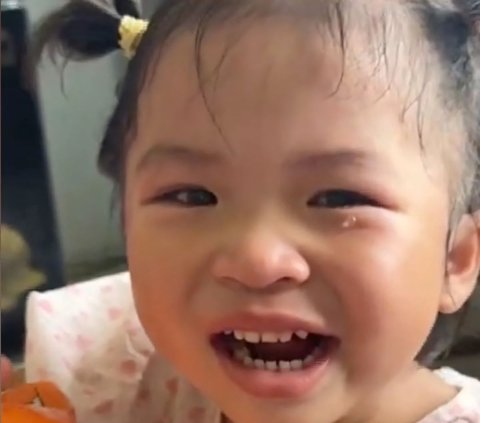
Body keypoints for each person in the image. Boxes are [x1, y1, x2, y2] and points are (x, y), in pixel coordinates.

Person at [30, 0, 480, 422]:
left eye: (339, 198)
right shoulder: (132, 383)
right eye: (191, 195)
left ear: (454, 260)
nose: (256, 260)